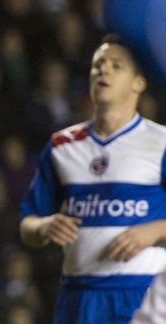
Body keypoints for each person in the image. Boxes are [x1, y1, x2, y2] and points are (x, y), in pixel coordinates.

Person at [19, 34, 166, 323]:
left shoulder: (161, 142)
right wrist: (45, 226)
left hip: (145, 294)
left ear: (139, 82)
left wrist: (155, 230)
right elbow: (27, 224)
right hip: (79, 297)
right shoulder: (63, 145)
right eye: (98, 64)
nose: (103, 70)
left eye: (116, 65)